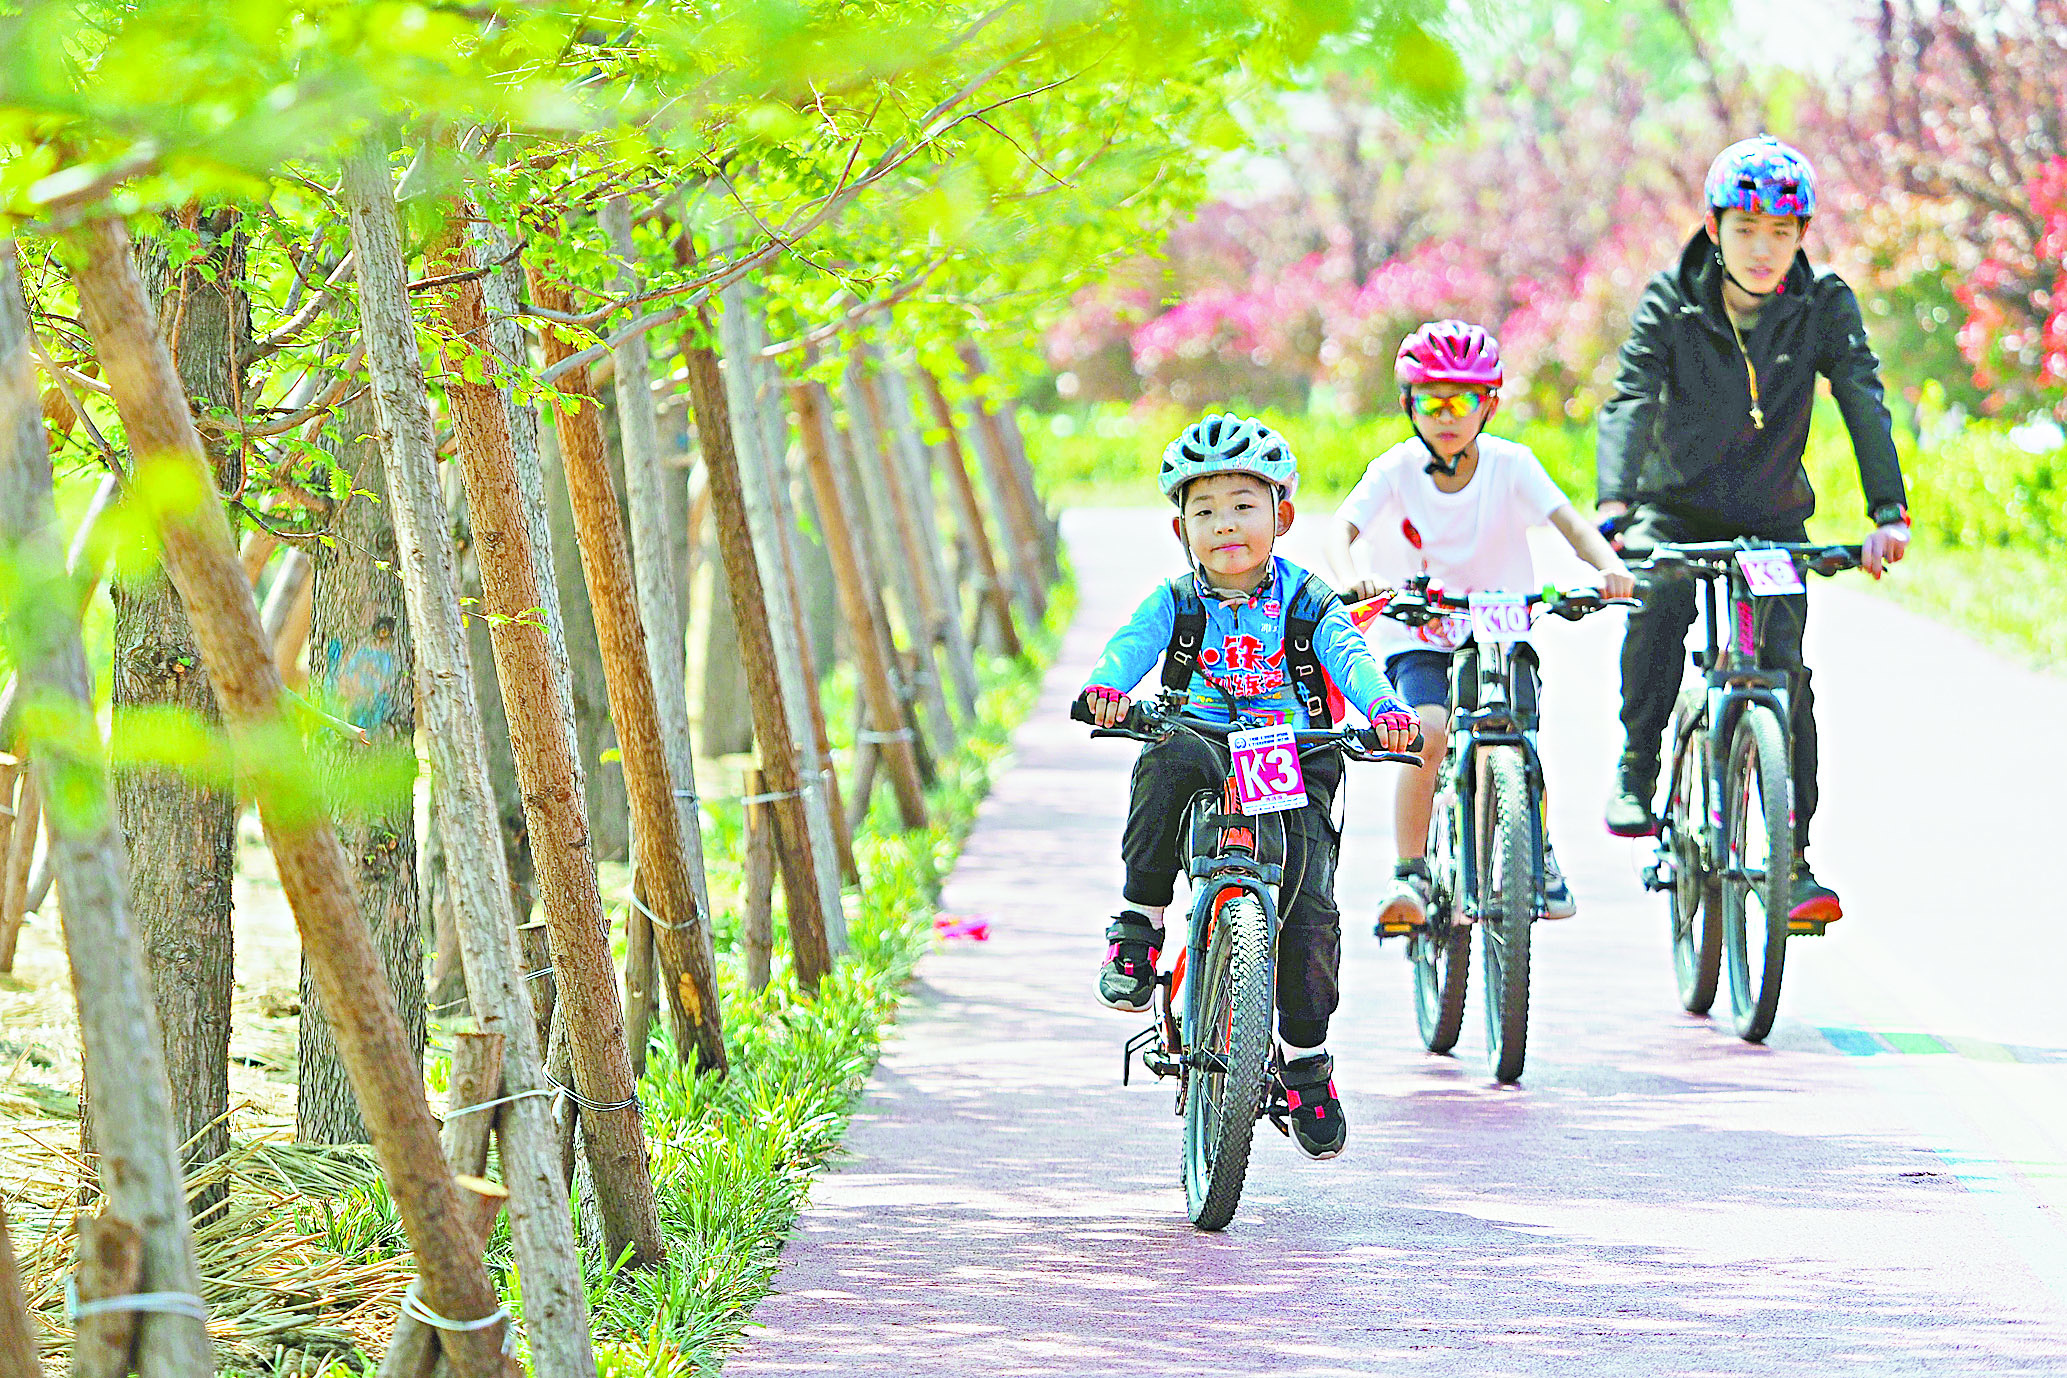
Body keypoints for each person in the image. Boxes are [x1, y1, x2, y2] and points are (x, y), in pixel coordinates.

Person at [1078, 413, 1416, 1161]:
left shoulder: (1309, 600)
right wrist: (1107, 685)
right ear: (1180, 530)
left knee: (1308, 913)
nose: (1223, 525)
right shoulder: (1177, 599)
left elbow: (1350, 656)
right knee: (1161, 761)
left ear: (1281, 517)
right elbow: (1130, 644)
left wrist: (1384, 709)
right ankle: (1137, 925)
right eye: (1203, 512)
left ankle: (1304, 1065)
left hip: (1291, 748)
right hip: (1200, 735)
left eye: (1242, 506)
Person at [1595, 134, 1912, 923]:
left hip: (1772, 518)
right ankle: (1638, 761)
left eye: (1781, 232)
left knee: (1784, 676)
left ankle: (1793, 859)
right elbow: (1631, 397)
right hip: (1675, 507)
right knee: (1659, 598)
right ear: (1714, 229)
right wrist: (1615, 505)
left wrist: (1886, 513)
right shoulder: (1671, 299)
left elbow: (1863, 398)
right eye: (1746, 230)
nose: (1763, 250)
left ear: (1802, 234)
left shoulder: (1822, 302)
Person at [1324, 320, 1635, 932]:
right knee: (1428, 731)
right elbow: (1342, 531)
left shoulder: (1511, 464)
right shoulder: (1394, 470)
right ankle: (1409, 872)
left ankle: (1535, 851)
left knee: (1520, 731)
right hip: (1418, 630)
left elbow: (1571, 525)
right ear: (1409, 404)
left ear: (1488, 404)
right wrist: (1349, 577)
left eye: (1461, 400)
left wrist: (1610, 570)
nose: (1446, 415)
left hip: (1499, 624)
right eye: (1431, 401)